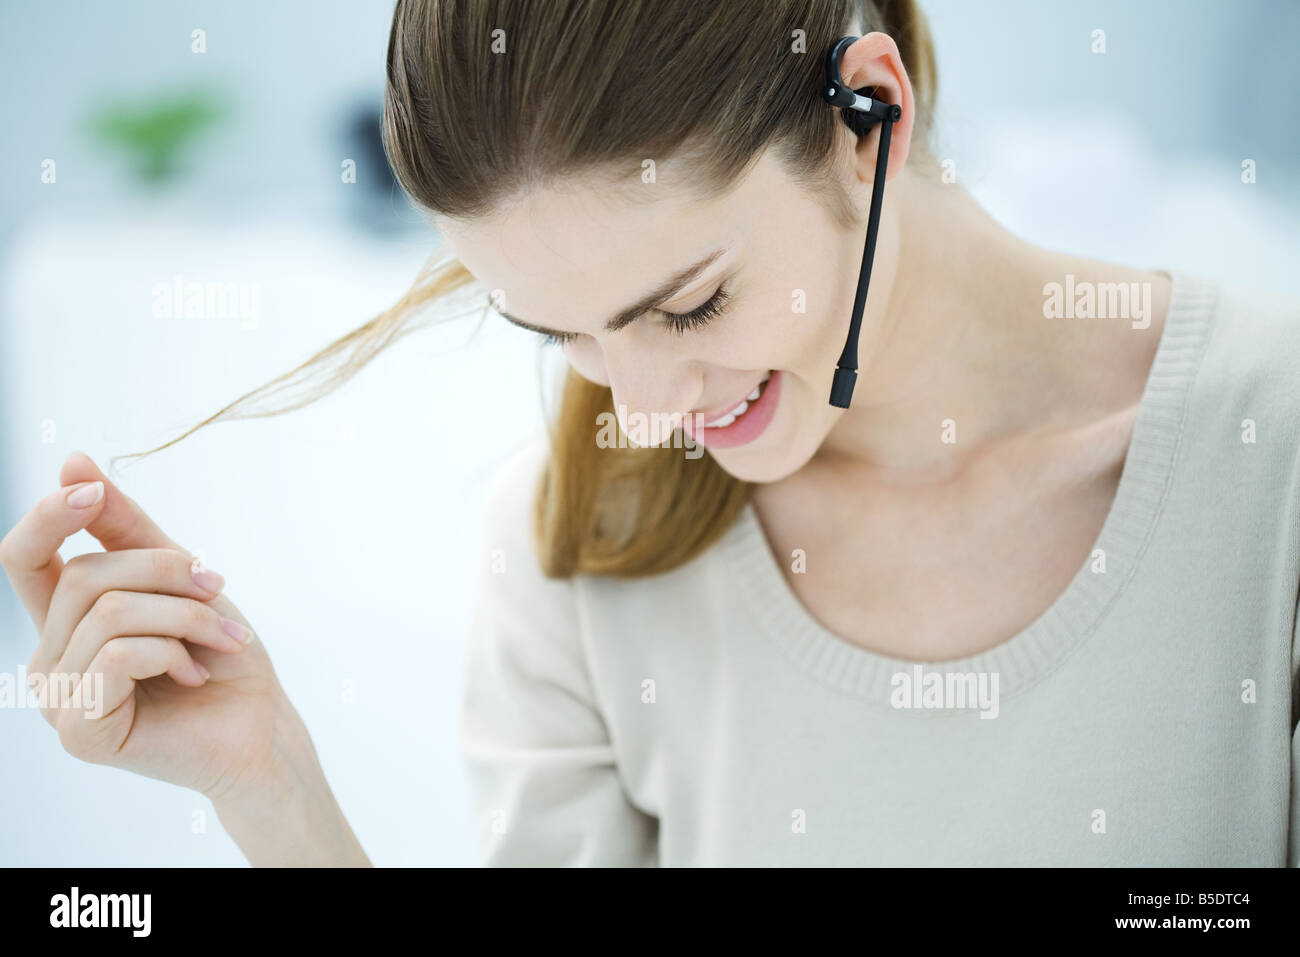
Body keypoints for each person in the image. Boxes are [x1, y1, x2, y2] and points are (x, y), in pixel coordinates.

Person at [3, 0, 1297, 866]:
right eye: (555, 332)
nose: (645, 410)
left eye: (690, 303)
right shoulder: (574, 543)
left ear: (870, 120)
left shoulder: (1268, 449)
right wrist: (271, 785)